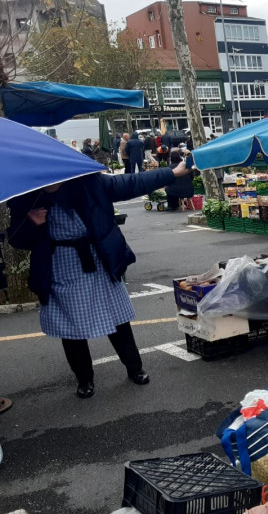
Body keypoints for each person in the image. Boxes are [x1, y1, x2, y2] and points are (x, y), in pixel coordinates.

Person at [7, 163, 193, 399]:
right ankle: (84, 379)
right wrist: (30, 222)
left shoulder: (88, 182)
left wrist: (172, 173)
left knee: (117, 316)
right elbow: (15, 238)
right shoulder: (27, 195)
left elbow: (131, 183)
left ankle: (135, 368)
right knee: (70, 326)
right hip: (59, 263)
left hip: (98, 255)